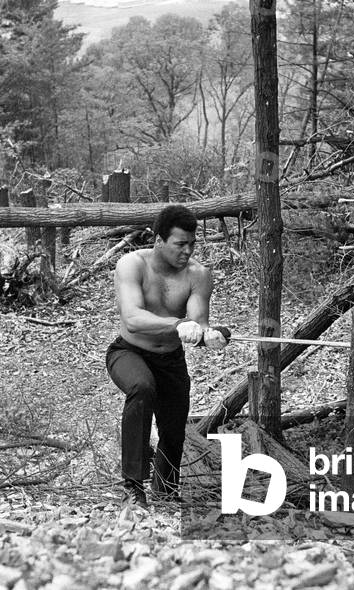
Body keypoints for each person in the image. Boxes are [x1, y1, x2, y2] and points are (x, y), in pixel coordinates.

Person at [106, 204, 228, 506]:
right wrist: (178, 325)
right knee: (141, 388)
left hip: (170, 361)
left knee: (174, 429)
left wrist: (208, 335)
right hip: (129, 352)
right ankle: (132, 487)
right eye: (180, 244)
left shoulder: (199, 275)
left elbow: (197, 322)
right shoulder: (131, 264)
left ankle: (166, 491)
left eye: (192, 244)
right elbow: (133, 318)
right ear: (159, 240)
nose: (187, 251)